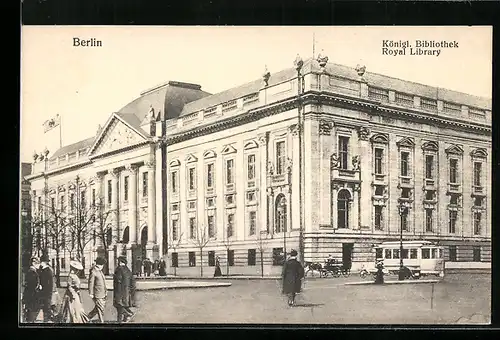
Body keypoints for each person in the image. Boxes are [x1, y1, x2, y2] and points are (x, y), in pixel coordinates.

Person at [113, 256, 137, 323]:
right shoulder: (128, 270)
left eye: (118, 261)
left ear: (120, 262)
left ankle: (127, 315)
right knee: (122, 306)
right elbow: (133, 282)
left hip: (119, 291)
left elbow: (118, 280)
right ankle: (123, 319)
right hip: (127, 292)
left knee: (119, 306)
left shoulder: (119, 269)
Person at [87, 257, 108, 323]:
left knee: (98, 308)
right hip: (97, 293)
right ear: (99, 265)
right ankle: (101, 322)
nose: (102, 266)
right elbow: (91, 282)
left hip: (103, 293)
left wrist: (106, 291)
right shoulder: (93, 271)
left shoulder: (100, 271)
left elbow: (103, 282)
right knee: (100, 308)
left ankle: (87, 318)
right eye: (102, 265)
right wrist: (91, 293)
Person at [22, 257, 41, 323]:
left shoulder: (32, 272)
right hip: (32, 295)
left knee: (31, 310)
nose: (39, 265)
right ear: (33, 264)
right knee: (32, 311)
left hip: (31, 294)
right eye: (38, 263)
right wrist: (38, 288)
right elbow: (32, 285)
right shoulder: (32, 273)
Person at [38, 254, 55, 322]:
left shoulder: (47, 270)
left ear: (44, 262)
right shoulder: (43, 270)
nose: (40, 263)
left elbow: (49, 283)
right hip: (44, 291)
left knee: (47, 306)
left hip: (47, 291)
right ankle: (47, 318)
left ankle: (48, 319)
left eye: (41, 262)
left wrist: (42, 287)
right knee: (45, 306)